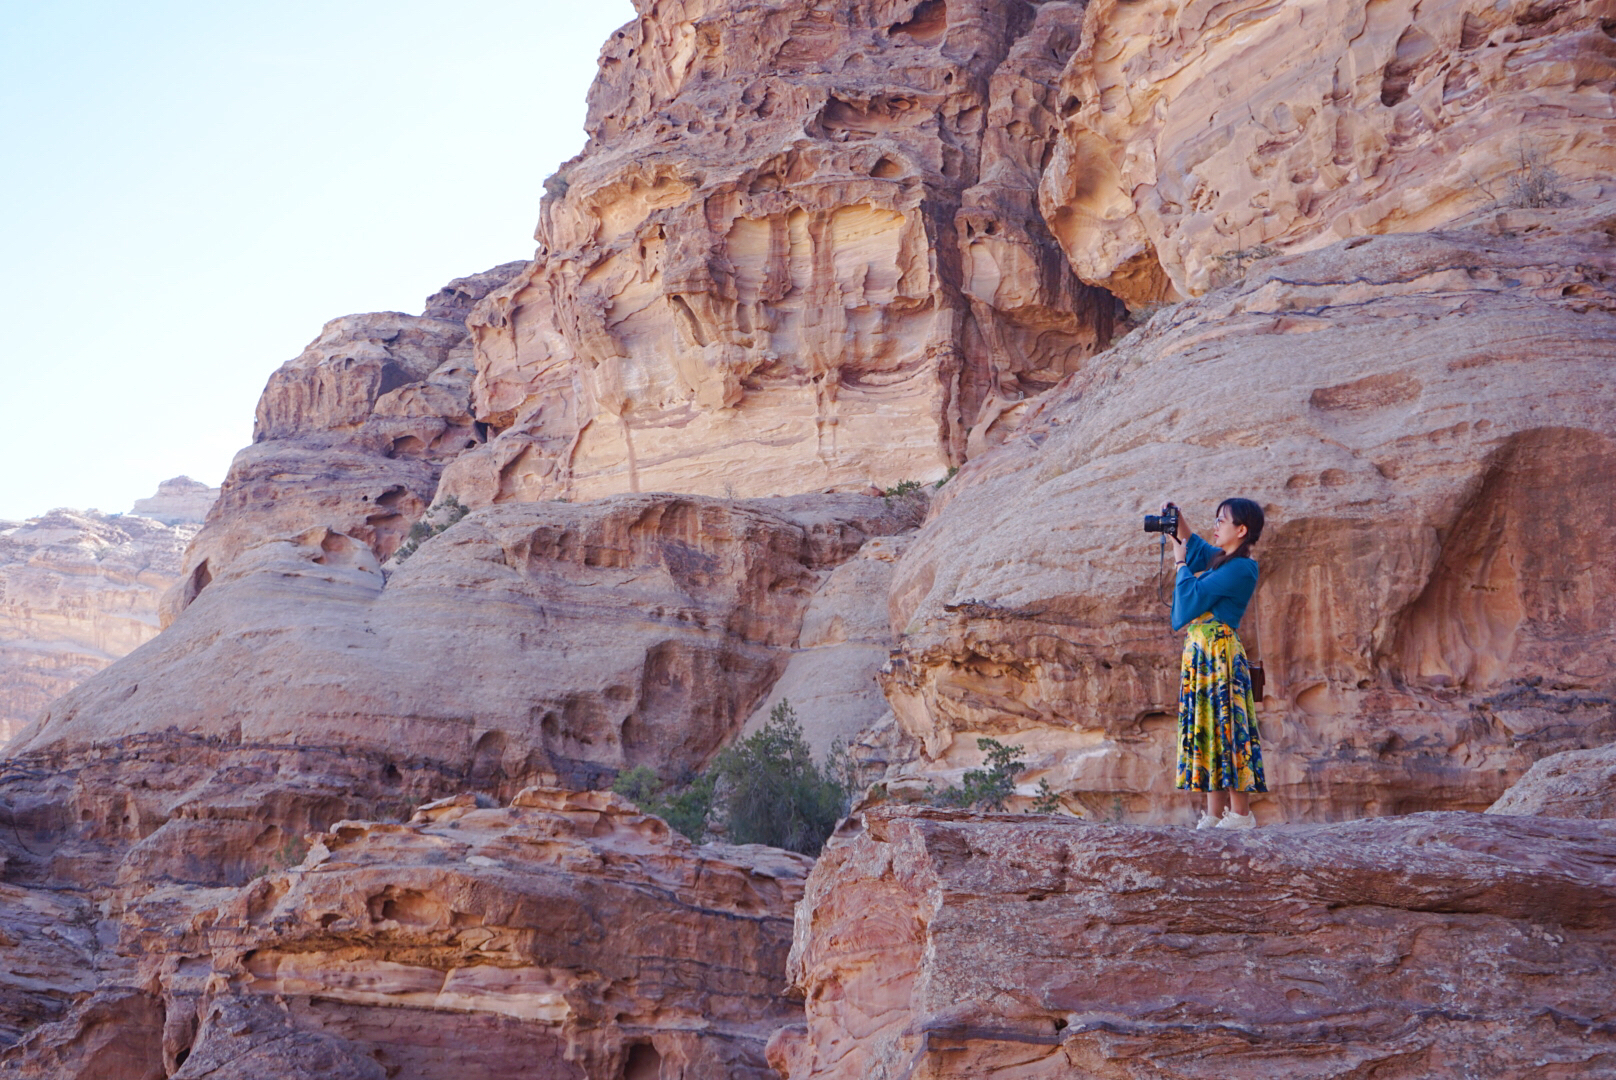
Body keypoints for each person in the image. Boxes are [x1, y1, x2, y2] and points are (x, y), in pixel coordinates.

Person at [1163, 498, 1266, 830]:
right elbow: (1195, 544)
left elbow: (1192, 597)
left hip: (1219, 655)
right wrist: (1178, 518)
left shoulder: (1242, 567)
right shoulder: (1223, 560)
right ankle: (1212, 814)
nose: (1216, 526)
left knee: (1228, 729)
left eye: (1222, 521)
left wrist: (1180, 565)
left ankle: (1240, 814)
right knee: (1210, 728)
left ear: (1241, 530)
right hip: (1204, 655)